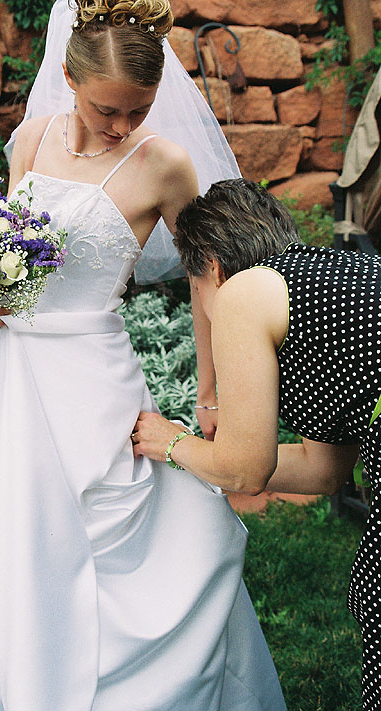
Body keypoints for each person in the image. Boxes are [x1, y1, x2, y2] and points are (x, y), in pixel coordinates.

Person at [0, 2, 286, 709]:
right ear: (70, 79)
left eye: (140, 109)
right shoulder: (29, 142)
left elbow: (207, 280)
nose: (123, 125)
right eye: (108, 109)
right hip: (23, 376)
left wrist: (211, 390)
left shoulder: (165, 164)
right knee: (30, 533)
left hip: (97, 378)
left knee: (117, 523)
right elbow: (10, 258)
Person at [133, 177, 381, 711]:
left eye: (195, 289)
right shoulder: (320, 284)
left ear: (212, 268)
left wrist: (172, 443)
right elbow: (322, 470)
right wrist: (206, 455)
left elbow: (245, 472)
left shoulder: (243, 293)